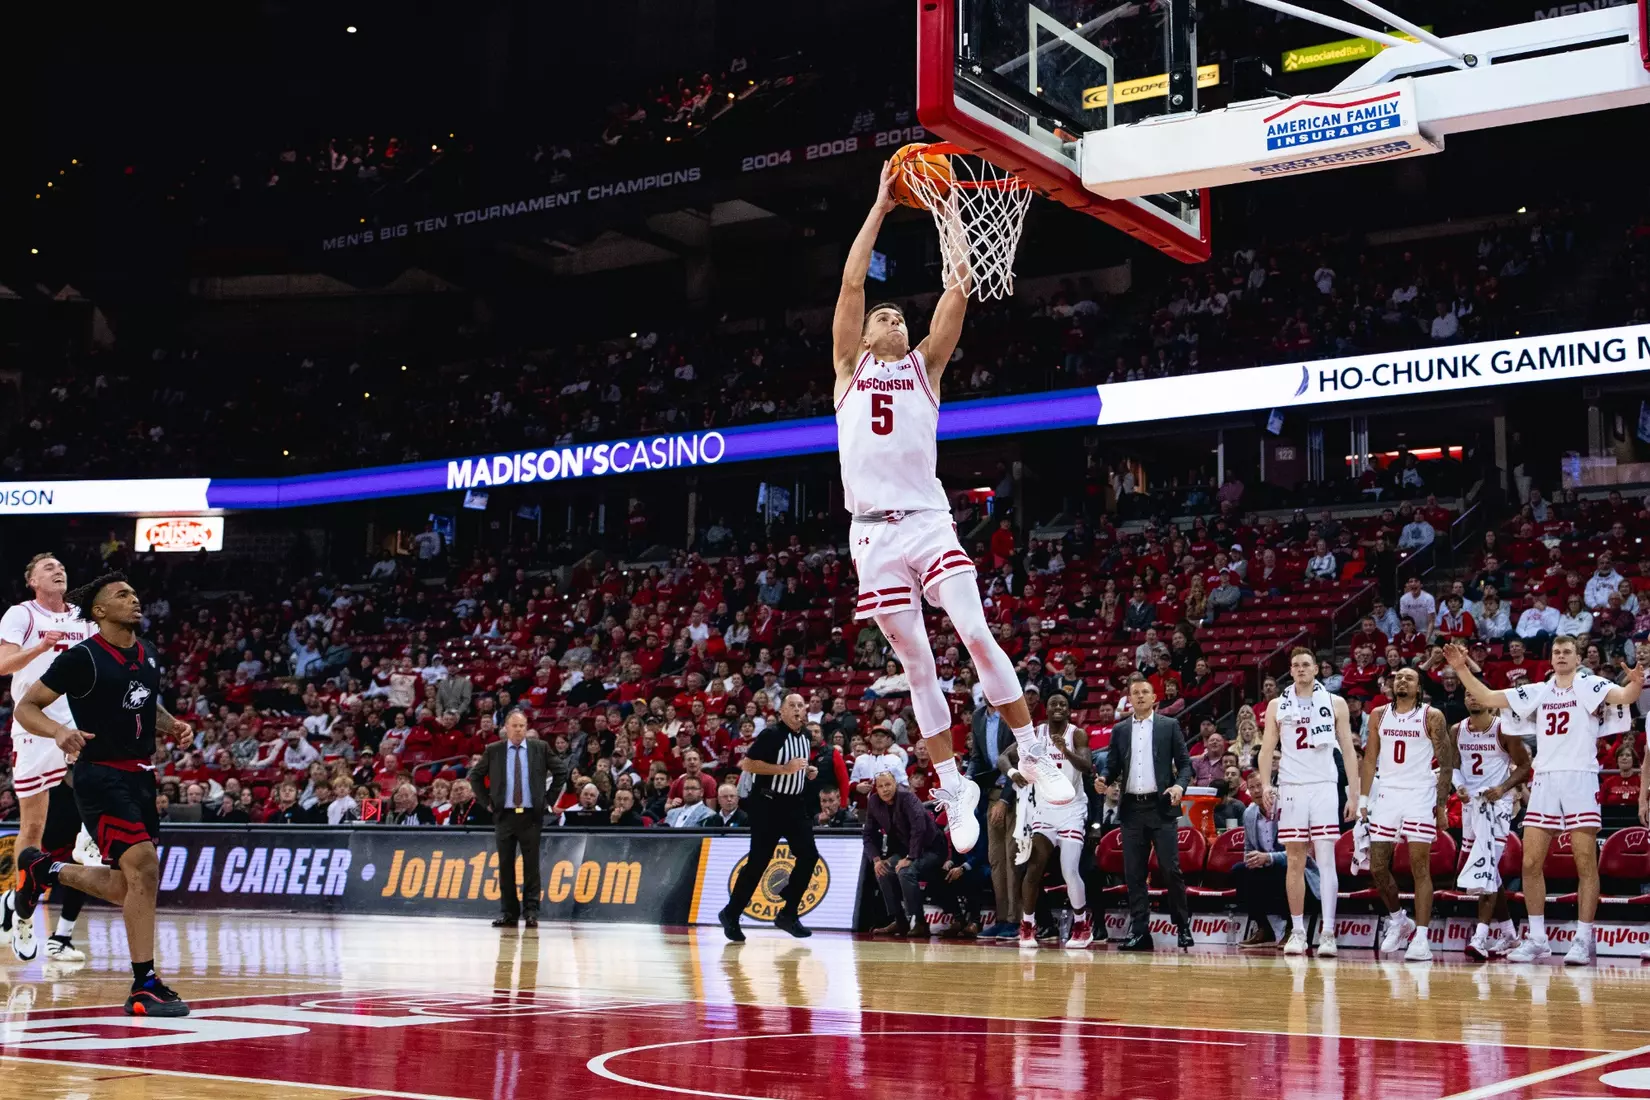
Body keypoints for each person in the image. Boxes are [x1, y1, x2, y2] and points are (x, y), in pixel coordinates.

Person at [831, 160, 1072, 855]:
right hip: (872, 537)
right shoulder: (849, 372)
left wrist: (947, 209)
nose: (892, 318)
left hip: (929, 521)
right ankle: (949, 782)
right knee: (916, 665)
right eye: (884, 315)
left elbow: (959, 286)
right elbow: (851, 283)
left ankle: (1033, 750)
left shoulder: (924, 367)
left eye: (899, 315)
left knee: (973, 630)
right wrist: (879, 204)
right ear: (866, 335)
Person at [13, 572, 191, 1016]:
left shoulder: (147, 655)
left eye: (134, 591)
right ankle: (143, 983)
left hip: (140, 777)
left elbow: (144, 705)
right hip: (99, 775)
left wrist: (173, 726)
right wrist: (60, 732)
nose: (135, 599)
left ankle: (44, 870)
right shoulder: (82, 658)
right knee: (145, 868)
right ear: (99, 610)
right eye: (122, 595)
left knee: (130, 884)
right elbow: (26, 706)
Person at [1444, 638, 1643, 965]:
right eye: (1556, 652)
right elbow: (1489, 696)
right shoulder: (1538, 690)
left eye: (1567, 652)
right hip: (1546, 779)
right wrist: (1462, 669)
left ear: (1578, 658)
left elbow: (1623, 696)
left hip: (1579, 776)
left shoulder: (1589, 684)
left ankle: (1583, 938)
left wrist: (1635, 683)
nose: (1561, 656)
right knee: (1531, 862)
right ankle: (1537, 939)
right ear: (1550, 659)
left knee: (1584, 861)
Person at [0, 552, 92, 959]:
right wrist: (40, 648)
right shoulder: (22, 614)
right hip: (34, 725)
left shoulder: (84, 617)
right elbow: (3, 665)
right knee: (33, 830)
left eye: (61, 567)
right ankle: (20, 912)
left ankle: (90, 840)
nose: (58, 570)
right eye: (48, 567)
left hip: (79, 725)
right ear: (32, 580)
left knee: (98, 796)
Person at [1258, 647, 1361, 958]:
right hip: (1291, 785)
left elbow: (1348, 749)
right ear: (1290, 671)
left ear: (1317, 669)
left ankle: (1328, 932)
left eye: (1306, 664)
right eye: (1296, 665)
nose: (1301, 669)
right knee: (1294, 861)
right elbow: (1266, 750)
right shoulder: (1277, 704)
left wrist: (1353, 793)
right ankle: (1298, 931)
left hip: (1324, 786)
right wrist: (1265, 784)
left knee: (1327, 858)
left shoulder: (1336, 702)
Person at [1360, 667, 1454, 961]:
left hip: (1418, 794)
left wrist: (1441, 807)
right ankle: (1399, 920)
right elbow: (1371, 757)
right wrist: (1364, 798)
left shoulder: (1432, 716)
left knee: (1419, 867)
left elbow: (1447, 763)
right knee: (1376, 867)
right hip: (1387, 793)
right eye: (1397, 677)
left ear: (1419, 687)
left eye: (1408, 677)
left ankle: (1422, 938)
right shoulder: (1378, 714)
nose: (1401, 680)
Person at [1095, 679, 1193, 952]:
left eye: (1144, 692)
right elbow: (1112, 765)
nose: (1139, 697)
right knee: (1134, 873)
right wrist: (1103, 778)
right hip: (1132, 809)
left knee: (1170, 869)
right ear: (1129, 699)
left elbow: (1185, 765)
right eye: (1134, 693)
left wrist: (1179, 786)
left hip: (1161, 806)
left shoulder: (1168, 726)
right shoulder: (1120, 730)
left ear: (1154, 698)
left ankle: (1182, 925)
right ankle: (1140, 932)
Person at [719, 693, 817, 941]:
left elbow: (796, 767)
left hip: (795, 805)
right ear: (781, 711)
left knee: (809, 855)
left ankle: (788, 913)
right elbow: (748, 765)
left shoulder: (806, 735)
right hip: (768, 804)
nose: (797, 709)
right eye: (791, 705)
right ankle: (731, 913)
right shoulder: (771, 734)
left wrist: (807, 771)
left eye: (800, 705)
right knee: (758, 863)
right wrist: (784, 770)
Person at [1002, 691, 1095, 949]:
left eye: (1063, 704)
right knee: (1033, 867)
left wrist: (1065, 750)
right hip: (1045, 810)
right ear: (1046, 708)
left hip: (1072, 810)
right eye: (1053, 703)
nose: (1057, 707)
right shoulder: (1036, 735)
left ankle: (1081, 924)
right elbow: (1003, 757)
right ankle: (1028, 925)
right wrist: (1012, 773)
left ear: (1068, 710)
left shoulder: (1077, 735)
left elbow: (1087, 766)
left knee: (1069, 870)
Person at [1452, 695, 1532, 960]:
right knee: (1490, 873)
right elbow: (1452, 765)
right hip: (1470, 807)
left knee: (1485, 869)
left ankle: (1480, 937)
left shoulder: (1503, 728)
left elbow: (1524, 765)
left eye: (1478, 693)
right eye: (1469, 694)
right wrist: (1459, 786)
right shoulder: (1457, 730)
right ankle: (1510, 934)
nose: (1473, 698)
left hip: (1496, 807)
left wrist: (1503, 788)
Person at [467, 709, 551, 928]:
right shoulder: (494, 750)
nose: (518, 730)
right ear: (505, 727)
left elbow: (560, 771)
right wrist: (487, 801)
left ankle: (531, 912)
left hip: (531, 816)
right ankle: (509, 913)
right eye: (514, 726)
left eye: (522, 726)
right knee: (505, 867)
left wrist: (547, 799)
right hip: (504, 816)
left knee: (531, 867)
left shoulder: (539, 748)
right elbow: (475, 776)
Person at [0, 775, 92, 964]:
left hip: (88, 803)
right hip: (56, 812)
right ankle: (12, 901)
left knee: (82, 873)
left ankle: (61, 939)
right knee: (37, 879)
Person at [864, 771, 960, 937]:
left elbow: (919, 828)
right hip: (904, 850)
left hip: (931, 848)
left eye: (888, 784)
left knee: (905, 871)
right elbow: (868, 834)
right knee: (883, 870)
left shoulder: (908, 798)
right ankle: (900, 921)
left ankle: (920, 922)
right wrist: (876, 859)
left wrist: (910, 857)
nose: (885, 789)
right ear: (876, 789)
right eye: (880, 786)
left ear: (895, 783)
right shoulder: (874, 802)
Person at [968, 701, 1021, 941]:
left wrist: (1006, 800)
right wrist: (967, 779)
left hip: (1016, 794)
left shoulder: (1013, 712)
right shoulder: (978, 716)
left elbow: (1020, 760)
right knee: (996, 860)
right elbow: (976, 757)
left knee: (1013, 857)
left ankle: (1016, 920)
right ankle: (1001, 919)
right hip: (990, 794)